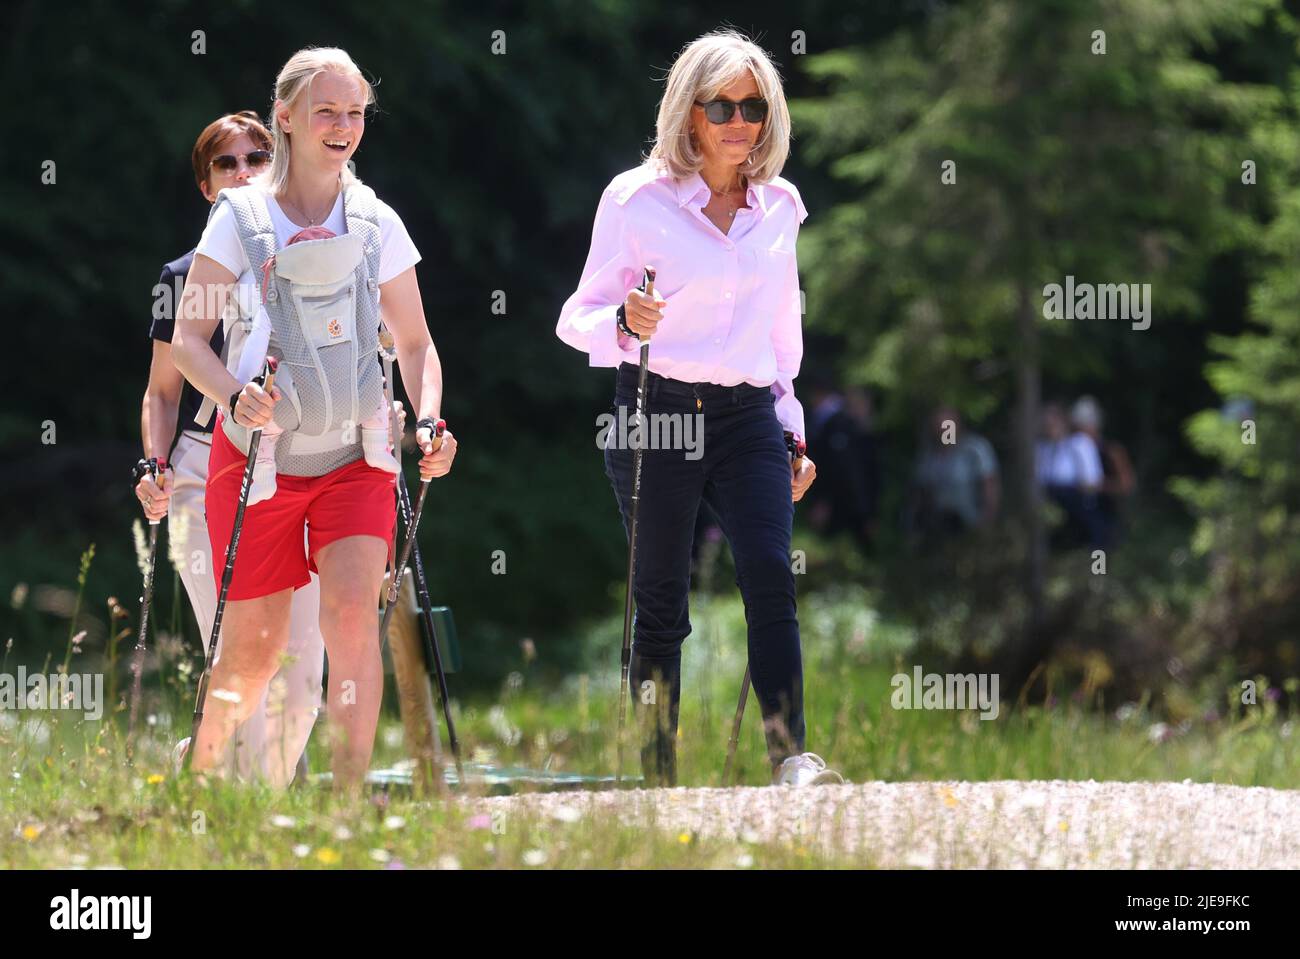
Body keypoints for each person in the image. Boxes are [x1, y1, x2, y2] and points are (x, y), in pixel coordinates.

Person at [557, 29, 841, 787]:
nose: (740, 122)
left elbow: (784, 335)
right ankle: (655, 774)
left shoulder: (781, 206)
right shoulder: (635, 198)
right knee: (660, 601)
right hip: (655, 409)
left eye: (753, 105)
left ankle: (792, 758)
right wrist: (622, 324)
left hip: (749, 414)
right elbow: (574, 316)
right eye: (722, 106)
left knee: (771, 576)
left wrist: (792, 431)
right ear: (689, 114)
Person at [172, 47, 457, 790]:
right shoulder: (238, 219)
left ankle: (344, 808)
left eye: (356, 112)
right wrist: (235, 395)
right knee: (254, 655)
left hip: (355, 454)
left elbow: (419, 344)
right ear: (288, 117)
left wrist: (427, 421)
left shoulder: (375, 221)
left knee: (353, 618)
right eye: (327, 111)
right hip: (259, 459)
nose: (344, 126)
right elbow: (187, 342)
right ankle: (195, 784)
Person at [134, 111, 324, 787]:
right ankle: (234, 813)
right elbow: (162, 392)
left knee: (302, 667)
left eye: (258, 158)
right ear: (207, 187)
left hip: (299, 469)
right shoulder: (183, 274)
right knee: (247, 651)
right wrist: (152, 466)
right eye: (227, 163)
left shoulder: (316, 250)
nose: (244, 171)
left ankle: (241, 797)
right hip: (200, 469)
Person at [912, 404, 1000, 541]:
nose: (943, 429)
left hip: (971, 522)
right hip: (939, 528)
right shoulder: (929, 456)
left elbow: (989, 484)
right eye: (939, 424)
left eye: (947, 423)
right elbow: (923, 491)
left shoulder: (974, 449)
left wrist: (987, 520)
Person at [1036, 402, 1104, 550]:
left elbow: (1093, 483)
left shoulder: (1080, 444)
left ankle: (1099, 569)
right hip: (1051, 515)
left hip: (1079, 512)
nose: (1050, 427)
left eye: (1053, 422)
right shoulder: (1041, 449)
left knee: (1096, 556)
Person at [1070, 395, 1134, 548]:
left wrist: (1098, 487)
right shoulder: (1071, 449)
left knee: (1099, 561)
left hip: (1106, 516)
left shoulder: (1111, 451)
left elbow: (1127, 485)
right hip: (1080, 517)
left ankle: (1099, 570)